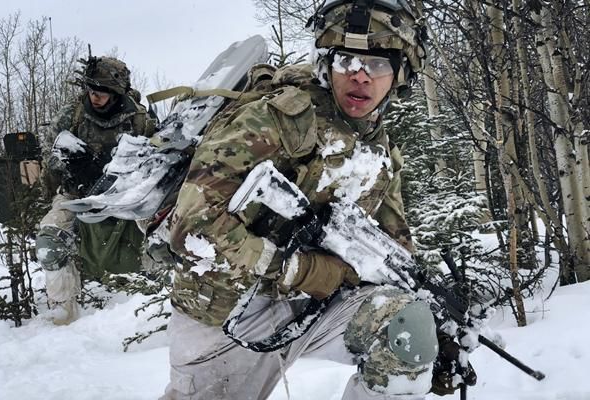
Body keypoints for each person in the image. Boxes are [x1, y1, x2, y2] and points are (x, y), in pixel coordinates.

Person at [159, 1, 469, 398]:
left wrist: (429, 334)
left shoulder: (378, 149)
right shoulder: (273, 120)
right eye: (346, 62)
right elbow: (192, 228)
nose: (359, 76)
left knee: (406, 331)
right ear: (327, 64)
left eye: (377, 65)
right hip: (225, 309)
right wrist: (300, 271)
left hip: (313, 309)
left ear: (401, 74)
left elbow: (394, 250)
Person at [37, 55, 155, 325]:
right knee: (49, 241)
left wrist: (111, 167)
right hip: (76, 193)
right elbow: (49, 152)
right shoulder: (73, 114)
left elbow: (154, 160)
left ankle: (154, 307)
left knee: (161, 237)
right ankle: (63, 316)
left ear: (115, 93)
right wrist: (73, 168)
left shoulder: (138, 119)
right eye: (91, 91)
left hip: (128, 194)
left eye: (101, 93)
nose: (95, 97)